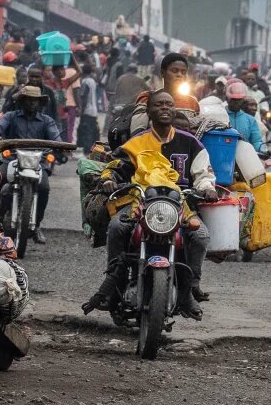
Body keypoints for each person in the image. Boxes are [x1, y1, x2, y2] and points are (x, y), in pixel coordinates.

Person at [85, 91, 217, 317]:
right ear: (149, 111)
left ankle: (190, 288)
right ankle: (113, 285)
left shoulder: (191, 143)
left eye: (169, 104)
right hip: (141, 202)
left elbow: (203, 174)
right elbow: (117, 167)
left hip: (179, 205)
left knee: (201, 235)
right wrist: (109, 180)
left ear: (174, 109)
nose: (165, 108)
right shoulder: (136, 143)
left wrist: (207, 188)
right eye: (158, 105)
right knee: (118, 227)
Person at [0, 86, 62, 244]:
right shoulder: (11, 116)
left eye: (34, 100)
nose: (31, 103)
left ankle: (36, 225)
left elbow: (55, 137)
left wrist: (60, 145)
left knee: (44, 188)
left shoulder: (46, 121)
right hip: (12, 159)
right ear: (22, 101)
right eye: (28, 100)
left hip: (38, 162)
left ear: (39, 103)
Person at [224, 82, 266, 152]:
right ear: (227, 99)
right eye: (233, 100)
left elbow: (256, 141)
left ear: (243, 100)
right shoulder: (220, 116)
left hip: (244, 157)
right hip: (222, 155)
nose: (236, 103)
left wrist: (263, 150)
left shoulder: (250, 120)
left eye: (239, 100)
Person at [77, 63, 100, 152]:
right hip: (93, 110)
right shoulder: (92, 81)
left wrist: (81, 109)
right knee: (92, 129)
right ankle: (92, 148)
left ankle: (87, 149)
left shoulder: (85, 82)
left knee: (87, 131)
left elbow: (84, 96)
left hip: (87, 110)